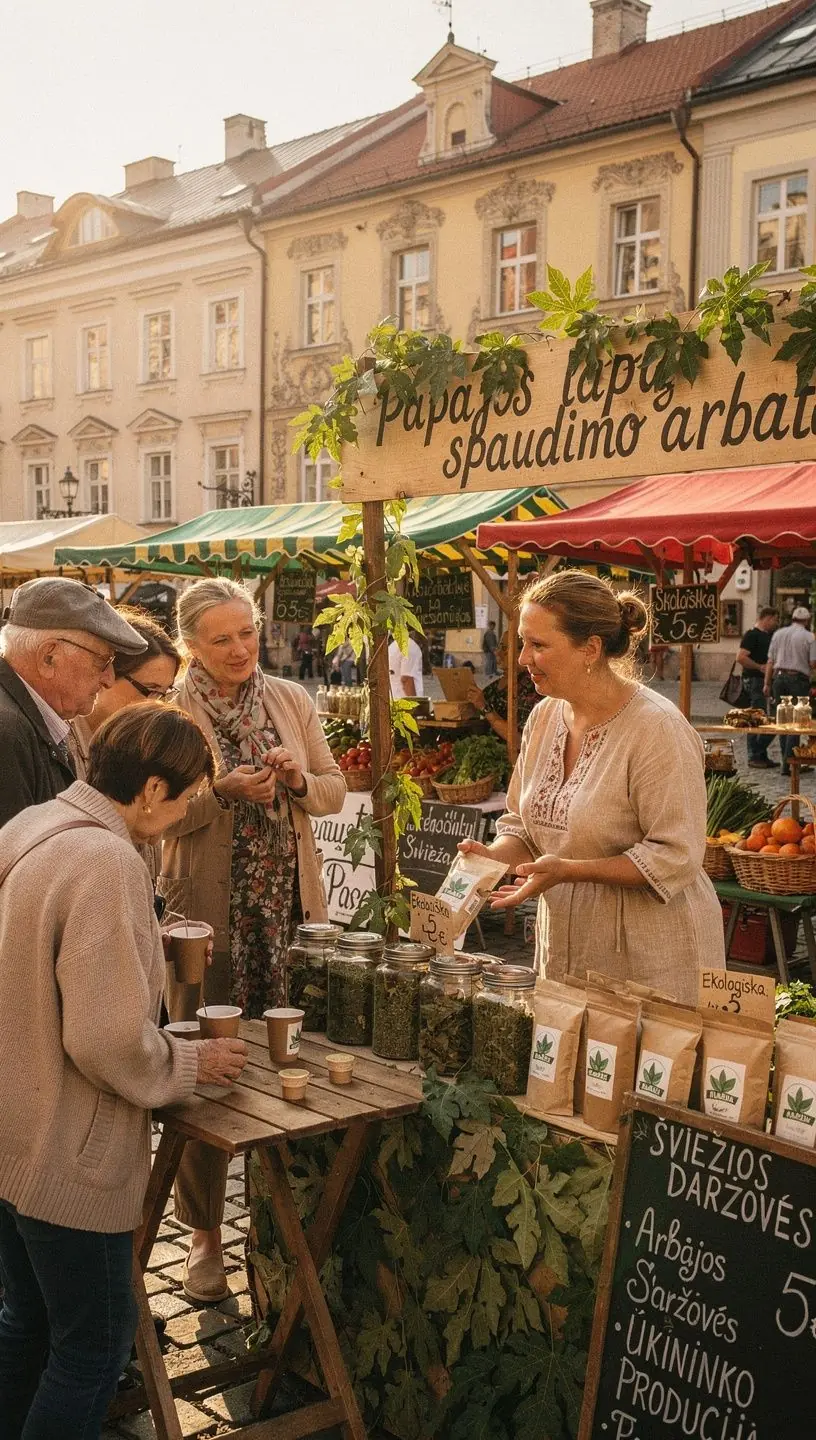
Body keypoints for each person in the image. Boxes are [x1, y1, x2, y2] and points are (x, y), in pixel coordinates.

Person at [0, 704, 247, 1438]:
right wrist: (190, 1060)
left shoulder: (34, 823)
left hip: (12, 1132)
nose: (178, 819)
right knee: (93, 1351)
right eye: (182, 801)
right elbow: (106, 1040)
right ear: (148, 789)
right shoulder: (106, 860)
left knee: (27, 1324)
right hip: (62, 1151)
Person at [160, 577, 345, 1304]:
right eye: (221, 639)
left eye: (248, 633)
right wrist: (222, 795)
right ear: (190, 646)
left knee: (285, 1062)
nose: (239, 650)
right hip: (210, 921)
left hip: (287, 914)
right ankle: (204, 1237)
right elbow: (157, 818)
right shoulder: (169, 712)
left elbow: (333, 789)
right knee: (206, 1072)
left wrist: (299, 781)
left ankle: (277, 1217)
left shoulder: (291, 700)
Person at [459, 570, 724, 1004]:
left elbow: (676, 855)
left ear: (591, 648)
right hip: (568, 942)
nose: (523, 658)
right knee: (568, 1064)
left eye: (538, 645)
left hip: (650, 953)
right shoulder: (544, 718)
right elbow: (522, 825)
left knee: (640, 1068)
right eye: (522, 643)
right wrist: (493, 858)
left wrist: (570, 869)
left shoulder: (657, 729)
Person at [0, 577, 146, 829]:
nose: (109, 679)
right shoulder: (8, 733)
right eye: (103, 661)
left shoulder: (21, 721)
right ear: (49, 657)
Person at [69, 607, 182, 778]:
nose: (157, 705)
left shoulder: (145, 742)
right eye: (150, 690)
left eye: (164, 693)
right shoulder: (59, 740)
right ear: (106, 674)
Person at [765, 606, 816, 775]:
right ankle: (789, 763)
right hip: (798, 680)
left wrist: (767, 683)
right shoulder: (809, 637)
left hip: (779, 679)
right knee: (796, 722)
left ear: (792, 618)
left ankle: (785, 760)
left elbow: (770, 661)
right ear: (807, 621)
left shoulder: (778, 634)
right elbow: (813, 663)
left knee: (783, 720)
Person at [466, 629, 540, 744]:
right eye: (499, 647)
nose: (498, 653)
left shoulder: (531, 688)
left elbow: (520, 739)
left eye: (505, 649)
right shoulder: (495, 686)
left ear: (521, 653)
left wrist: (486, 708)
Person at [737, 607, 779, 770]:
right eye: (775, 620)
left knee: (766, 718)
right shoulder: (752, 635)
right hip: (754, 680)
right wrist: (759, 667)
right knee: (756, 716)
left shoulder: (767, 636)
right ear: (767, 618)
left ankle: (761, 753)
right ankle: (753, 755)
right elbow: (741, 657)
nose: (776, 623)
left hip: (763, 681)